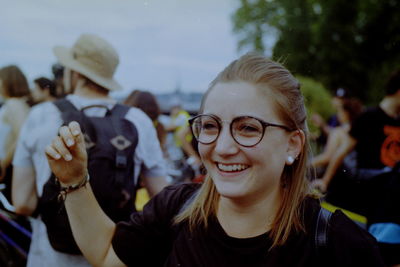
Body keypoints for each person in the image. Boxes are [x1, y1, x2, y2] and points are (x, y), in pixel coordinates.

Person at [45, 53, 384, 267]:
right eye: (209, 126)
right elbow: (106, 254)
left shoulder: (339, 244)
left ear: (293, 144)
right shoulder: (175, 209)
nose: (222, 147)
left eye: (248, 128)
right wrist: (74, 178)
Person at [12, 33, 169, 267]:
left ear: (74, 73)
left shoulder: (41, 116)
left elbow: (22, 202)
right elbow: (163, 196)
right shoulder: (138, 121)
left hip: (50, 257)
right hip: (116, 255)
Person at [312, 69, 400, 267]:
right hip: (373, 184)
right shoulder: (369, 117)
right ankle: (386, 249)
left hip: (392, 187)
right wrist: (325, 181)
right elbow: (340, 153)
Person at [0, 65, 31, 200]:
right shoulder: (19, 103)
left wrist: (3, 163)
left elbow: (22, 136)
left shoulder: (13, 104)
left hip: (9, 168)